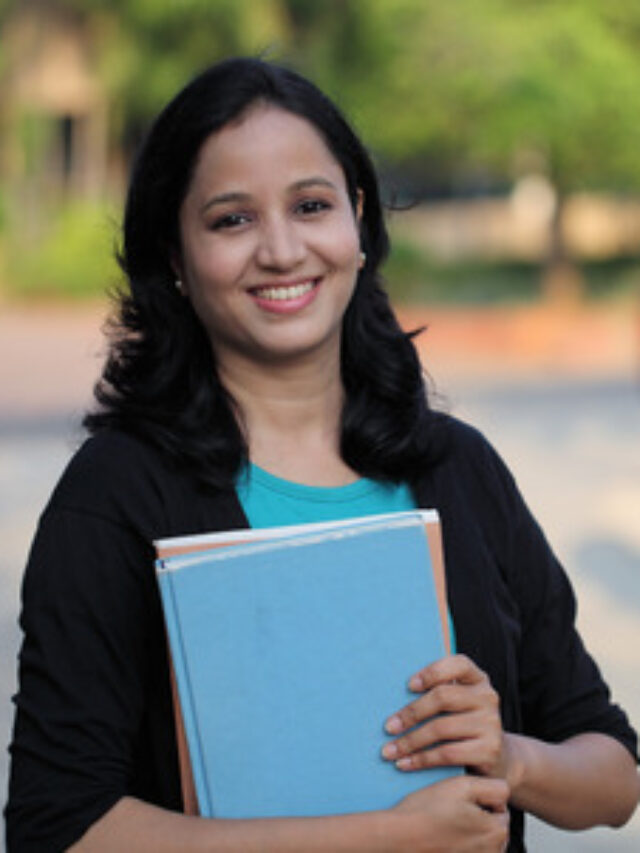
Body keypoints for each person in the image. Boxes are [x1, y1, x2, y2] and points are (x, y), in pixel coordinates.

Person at [5, 57, 639, 853]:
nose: (280, 249)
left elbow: (614, 776)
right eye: (231, 219)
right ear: (175, 254)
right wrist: (379, 835)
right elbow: (57, 826)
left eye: (310, 205)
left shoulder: (458, 467)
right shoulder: (117, 495)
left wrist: (509, 758)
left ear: (358, 220)